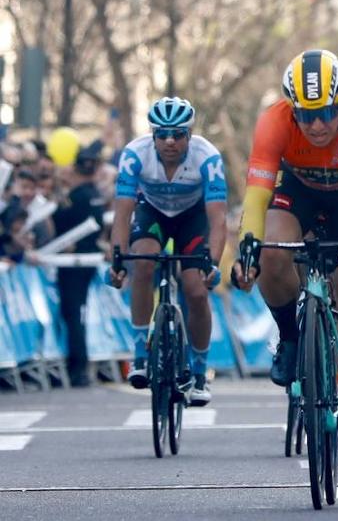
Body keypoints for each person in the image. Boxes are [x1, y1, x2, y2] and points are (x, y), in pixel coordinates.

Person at [231, 49, 338, 468]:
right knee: (271, 253)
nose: (317, 125)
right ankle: (289, 338)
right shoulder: (273, 121)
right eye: (306, 116)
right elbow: (256, 195)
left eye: (326, 112)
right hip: (299, 194)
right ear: (292, 110)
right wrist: (247, 240)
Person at [109, 98, 228, 405]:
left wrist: (212, 264)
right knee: (143, 264)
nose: (169, 141)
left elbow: (217, 220)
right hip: (153, 213)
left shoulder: (208, 157)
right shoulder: (134, 155)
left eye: (177, 134)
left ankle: (200, 372)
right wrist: (118, 259)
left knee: (196, 290)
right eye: (162, 134)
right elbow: (122, 214)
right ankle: (139, 356)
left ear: (189, 134)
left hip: (193, 218)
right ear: (153, 136)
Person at [51, 142, 106, 387]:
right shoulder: (96, 194)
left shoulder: (76, 197)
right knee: (78, 313)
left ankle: (78, 367)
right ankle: (79, 365)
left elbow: (59, 223)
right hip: (88, 258)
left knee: (72, 313)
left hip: (72, 262)